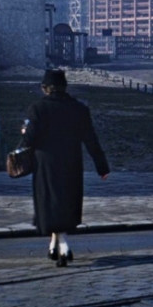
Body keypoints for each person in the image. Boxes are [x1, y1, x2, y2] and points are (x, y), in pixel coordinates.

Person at [22, 69, 109, 267]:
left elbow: (29, 139)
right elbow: (91, 140)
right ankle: (56, 244)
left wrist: (24, 131)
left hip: (45, 163)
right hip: (71, 162)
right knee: (65, 203)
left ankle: (62, 245)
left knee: (50, 203)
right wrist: (102, 167)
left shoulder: (37, 108)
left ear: (45, 89)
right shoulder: (78, 108)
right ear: (64, 87)